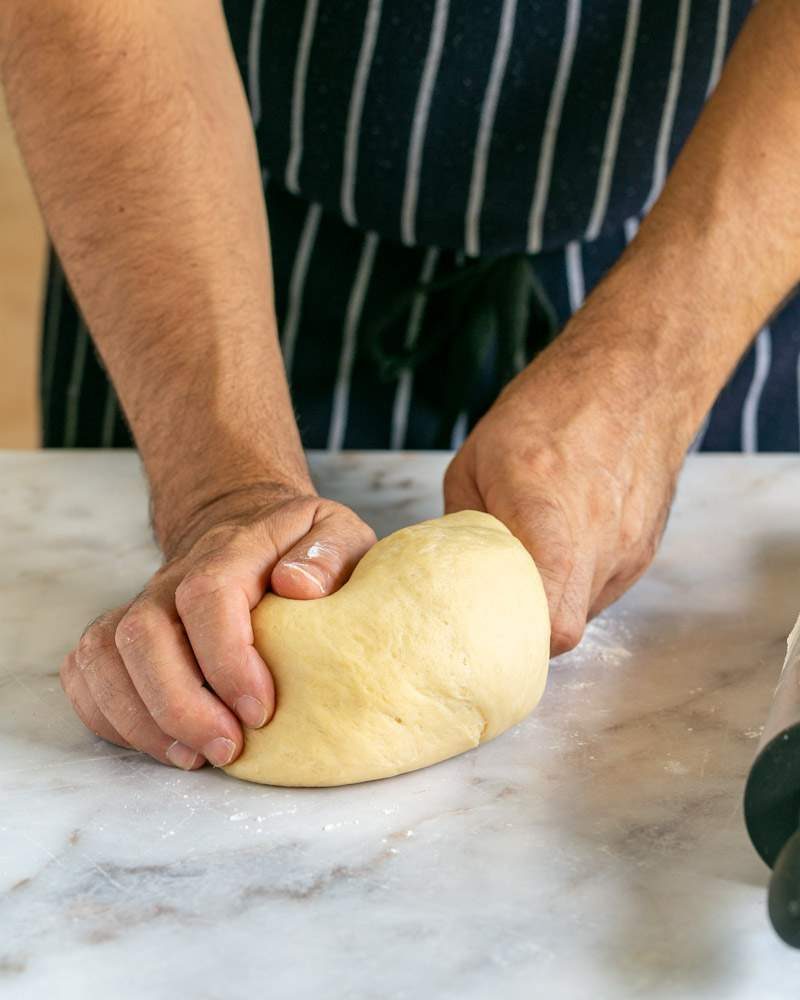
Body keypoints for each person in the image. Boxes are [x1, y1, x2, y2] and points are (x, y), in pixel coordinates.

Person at [2, 0, 798, 772]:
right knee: (205, 629)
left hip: (725, 220)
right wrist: (219, 491)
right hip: (191, 208)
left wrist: (654, 373)